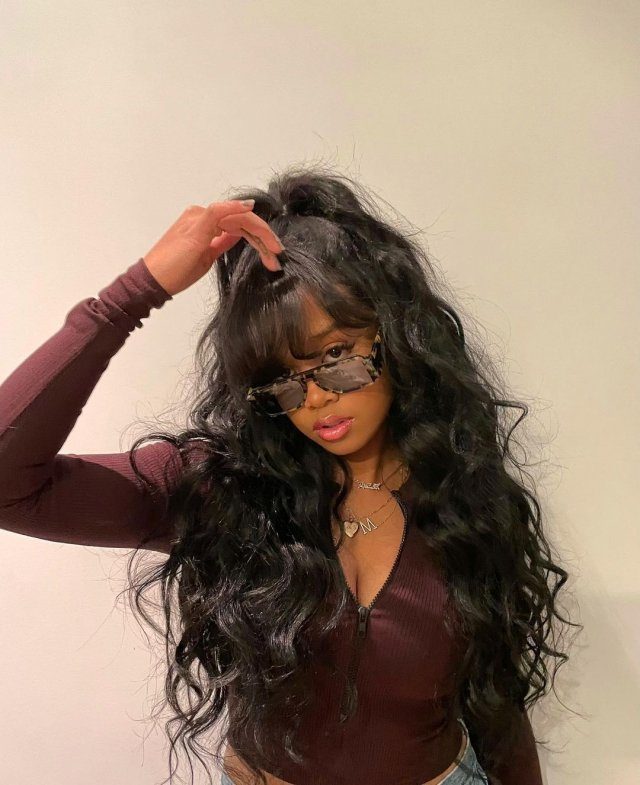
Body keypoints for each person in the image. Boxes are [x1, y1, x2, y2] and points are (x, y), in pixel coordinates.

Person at [0, 166, 576, 785]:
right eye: (281, 379)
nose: (316, 398)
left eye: (336, 356)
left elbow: (496, 699)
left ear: (396, 336)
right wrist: (129, 297)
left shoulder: (464, 497)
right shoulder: (221, 491)